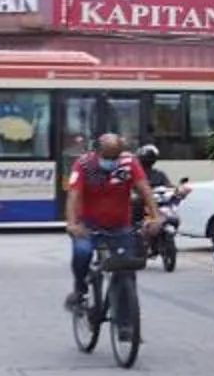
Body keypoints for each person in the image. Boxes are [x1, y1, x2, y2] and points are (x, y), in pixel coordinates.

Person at [64, 133, 155, 310]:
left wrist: (155, 217)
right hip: (88, 224)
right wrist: (72, 223)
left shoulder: (129, 163)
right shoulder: (82, 164)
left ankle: (125, 324)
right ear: (96, 152)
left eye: (115, 157)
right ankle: (80, 290)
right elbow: (73, 195)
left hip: (119, 225)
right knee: (82, 252)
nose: (111, 161)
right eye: (107, 157)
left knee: (126, 270)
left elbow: (145, 189)